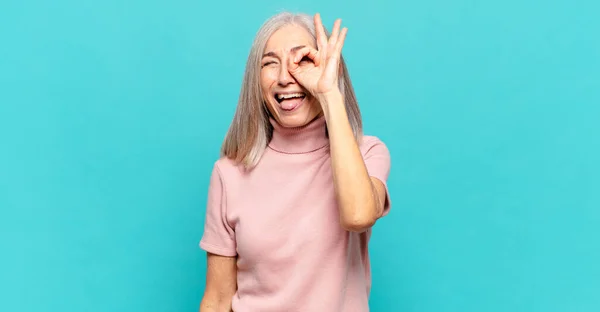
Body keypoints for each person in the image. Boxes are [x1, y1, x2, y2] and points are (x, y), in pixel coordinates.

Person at [198, 11, 392, 312]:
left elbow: (358, 216)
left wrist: (328, 92)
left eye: (302, 61)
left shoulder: (367, 153)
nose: (285, 77)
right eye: (270, 63)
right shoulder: (229, 174)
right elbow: (218, 299)